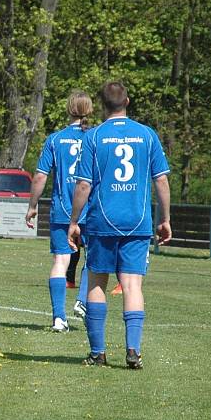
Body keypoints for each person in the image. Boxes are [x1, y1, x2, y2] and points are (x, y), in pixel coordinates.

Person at [68, 81, 171, 369]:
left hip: (102, 220)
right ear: (126, 100)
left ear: (102, 104)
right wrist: (165, 219)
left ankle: (98, 353)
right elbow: (161, 180)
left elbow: (84, 184)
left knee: (97, 282)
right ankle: (133, 352)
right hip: (137, 222)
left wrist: (74, 221)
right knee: (132, 285)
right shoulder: (147, 135)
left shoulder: (94, 137)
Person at [26, 90, 94, 331]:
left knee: (60, 261)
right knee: (93, 260)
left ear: (68, 109)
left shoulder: (55, 140)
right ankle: (83, 301)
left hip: (63, 211)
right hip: (92, 210)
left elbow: (40, 177)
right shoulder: (97, 138)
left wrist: (33, 205)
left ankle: (58, 318)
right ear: (90, 110)